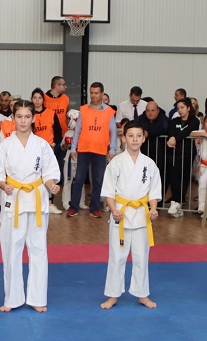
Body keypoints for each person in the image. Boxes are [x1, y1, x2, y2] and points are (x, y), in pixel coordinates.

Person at [0, 100, 61, 313]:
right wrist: (4, 185)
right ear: (13, 118)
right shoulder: (5, 145)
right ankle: (12, 298)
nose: (23, 121)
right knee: (12, 248)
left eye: (27, 117)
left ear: (33, 118)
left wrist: (51, 185)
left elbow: (49, 172)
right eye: (19, 116)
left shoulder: (42, 145)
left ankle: (37, 298)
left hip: (37, 199)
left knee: (38, 249)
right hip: (14, 198)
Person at [100, 119, 162, 310]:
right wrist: (114, 210)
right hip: (121, 213)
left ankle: (142, 294)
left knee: (141, 256)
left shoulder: (149, 164)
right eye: (131, 136)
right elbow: (108, 190)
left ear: (144, 138)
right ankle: (113, 294)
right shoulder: (116, 163)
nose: (134, 139)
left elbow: (154, 191)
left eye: (138, 136)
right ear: (124, 138)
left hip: (142, 215)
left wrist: (153, 208)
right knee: (117, 256)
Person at [68, 82, 117, 218]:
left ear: (102, 94)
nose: (93, 95)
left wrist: (112, 150)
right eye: (91, 92)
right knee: (78, 179)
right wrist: (73, 148)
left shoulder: (109, 112)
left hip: (100, 151)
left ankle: (94, 208)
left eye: (96, 93)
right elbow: (77, 130)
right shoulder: (83, 109)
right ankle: (73, 207)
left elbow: (113, 132)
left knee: (98, 180)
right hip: (84, 149)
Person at [165, 97, 199, 216]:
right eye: (178, 108)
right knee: (173, 175)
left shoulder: (194, 120)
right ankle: (176, 201)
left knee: (184, 176)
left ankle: (178, 201)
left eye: (182, 107)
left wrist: (175, 138)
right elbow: (171, 131)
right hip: (175, 152)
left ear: (188, 108)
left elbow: (187, 132)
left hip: (188, 152)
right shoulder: (175, 120)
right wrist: (171, 137)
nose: (180, 110)